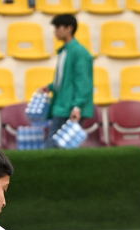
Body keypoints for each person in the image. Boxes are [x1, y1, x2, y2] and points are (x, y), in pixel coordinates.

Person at [39, 14, 94, 144]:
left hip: (68, 109)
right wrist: (50, 87)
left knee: (54, 149)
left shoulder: (79, 52)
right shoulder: (65, 51)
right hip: (61, 106)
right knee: (57, 149)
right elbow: (64, 79)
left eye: (58, 27)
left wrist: (77, 107)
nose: (55, 31)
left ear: (69, 28)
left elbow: (83, 82)